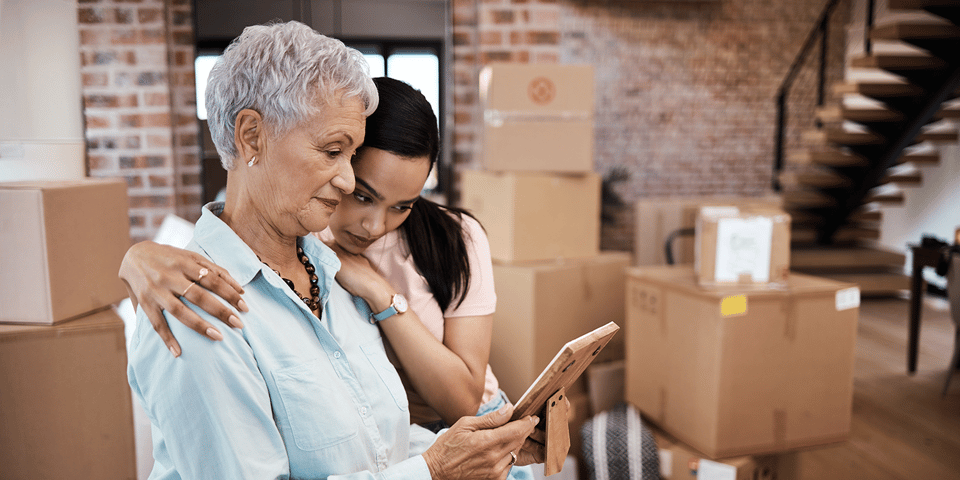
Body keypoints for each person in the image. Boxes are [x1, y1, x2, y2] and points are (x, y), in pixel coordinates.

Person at [125, 20, 541, 479]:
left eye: (352, 154)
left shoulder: (330, 271)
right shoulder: (197, 308)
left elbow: (379, 444)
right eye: (332, 151)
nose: (345, 180)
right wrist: (435, 471)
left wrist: (483, 450)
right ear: (251, 136)